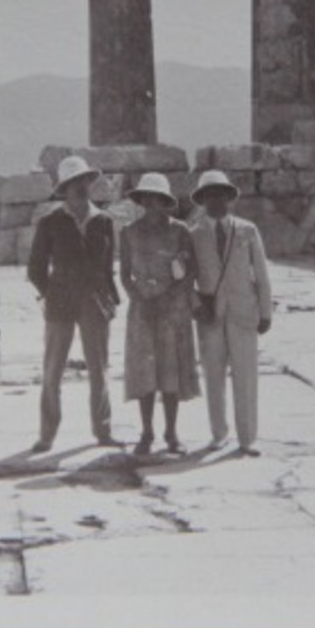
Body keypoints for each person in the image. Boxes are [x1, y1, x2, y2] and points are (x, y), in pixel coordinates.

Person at [27, 155, 121, 451]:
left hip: (95, 301)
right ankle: (47, 434)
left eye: (83, 181)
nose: (80, 188)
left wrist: (111, 298)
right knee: (53, 369)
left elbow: (108, 267)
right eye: (73, 183)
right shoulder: (49, 222)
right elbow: (35, 268)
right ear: (63, 189)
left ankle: (103, 431)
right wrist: (51, 292)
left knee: (99, 368)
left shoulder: (104, 221)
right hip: (60, 303)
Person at [187, 170, 273, 457]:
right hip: (211, 315)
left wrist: (266, 311)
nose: (216, 199)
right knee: (213, 376)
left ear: (229, 197)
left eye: (221, 193)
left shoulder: (248, 230)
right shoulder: (194, 233)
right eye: (210, 194)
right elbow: (186, 279)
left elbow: (261, 272)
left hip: (243, 312)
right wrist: (196, 306)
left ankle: (248, 438)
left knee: (246, 376)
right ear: (201, 199)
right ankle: (218, 433)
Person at [119, 173, 201, 457]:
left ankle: (171, 432)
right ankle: (146, 432)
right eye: (147, 200)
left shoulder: (180, 232)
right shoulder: (128, 232)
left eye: (158, 201)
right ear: (141, 201)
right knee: (145, 373)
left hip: (173, 310)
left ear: (167, 203)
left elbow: (190, 272)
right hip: (141, 310)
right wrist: (139, 298)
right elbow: (124, 274)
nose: (152, 206)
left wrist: (168, 297)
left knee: (170, 371)